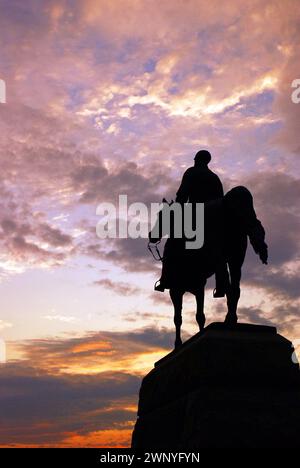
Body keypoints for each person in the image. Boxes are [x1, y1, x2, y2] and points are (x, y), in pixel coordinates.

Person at [176, 150, 228, 297]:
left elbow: (182, 195)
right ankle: (222, 284)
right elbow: (221, 200)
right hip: (215, 218)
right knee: (220, 252)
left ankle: (166, 278)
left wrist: (176, 210)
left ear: (197, 159)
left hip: (194, 213)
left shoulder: (191, 172)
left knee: (173, 243)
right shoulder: (214, 177)